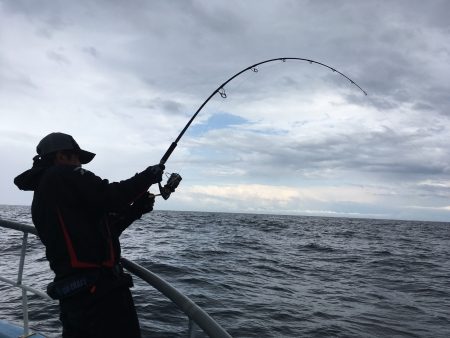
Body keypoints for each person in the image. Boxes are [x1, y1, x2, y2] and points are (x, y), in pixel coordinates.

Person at [14, 132, 165, 338]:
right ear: (61, 156)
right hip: (98, 298)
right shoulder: (61, 175)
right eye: (76, 158)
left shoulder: (50, 190)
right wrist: (148, 176)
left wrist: (136, 209)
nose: (80, 165)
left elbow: (103, 230)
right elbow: (110, 196)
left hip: (81, 297)